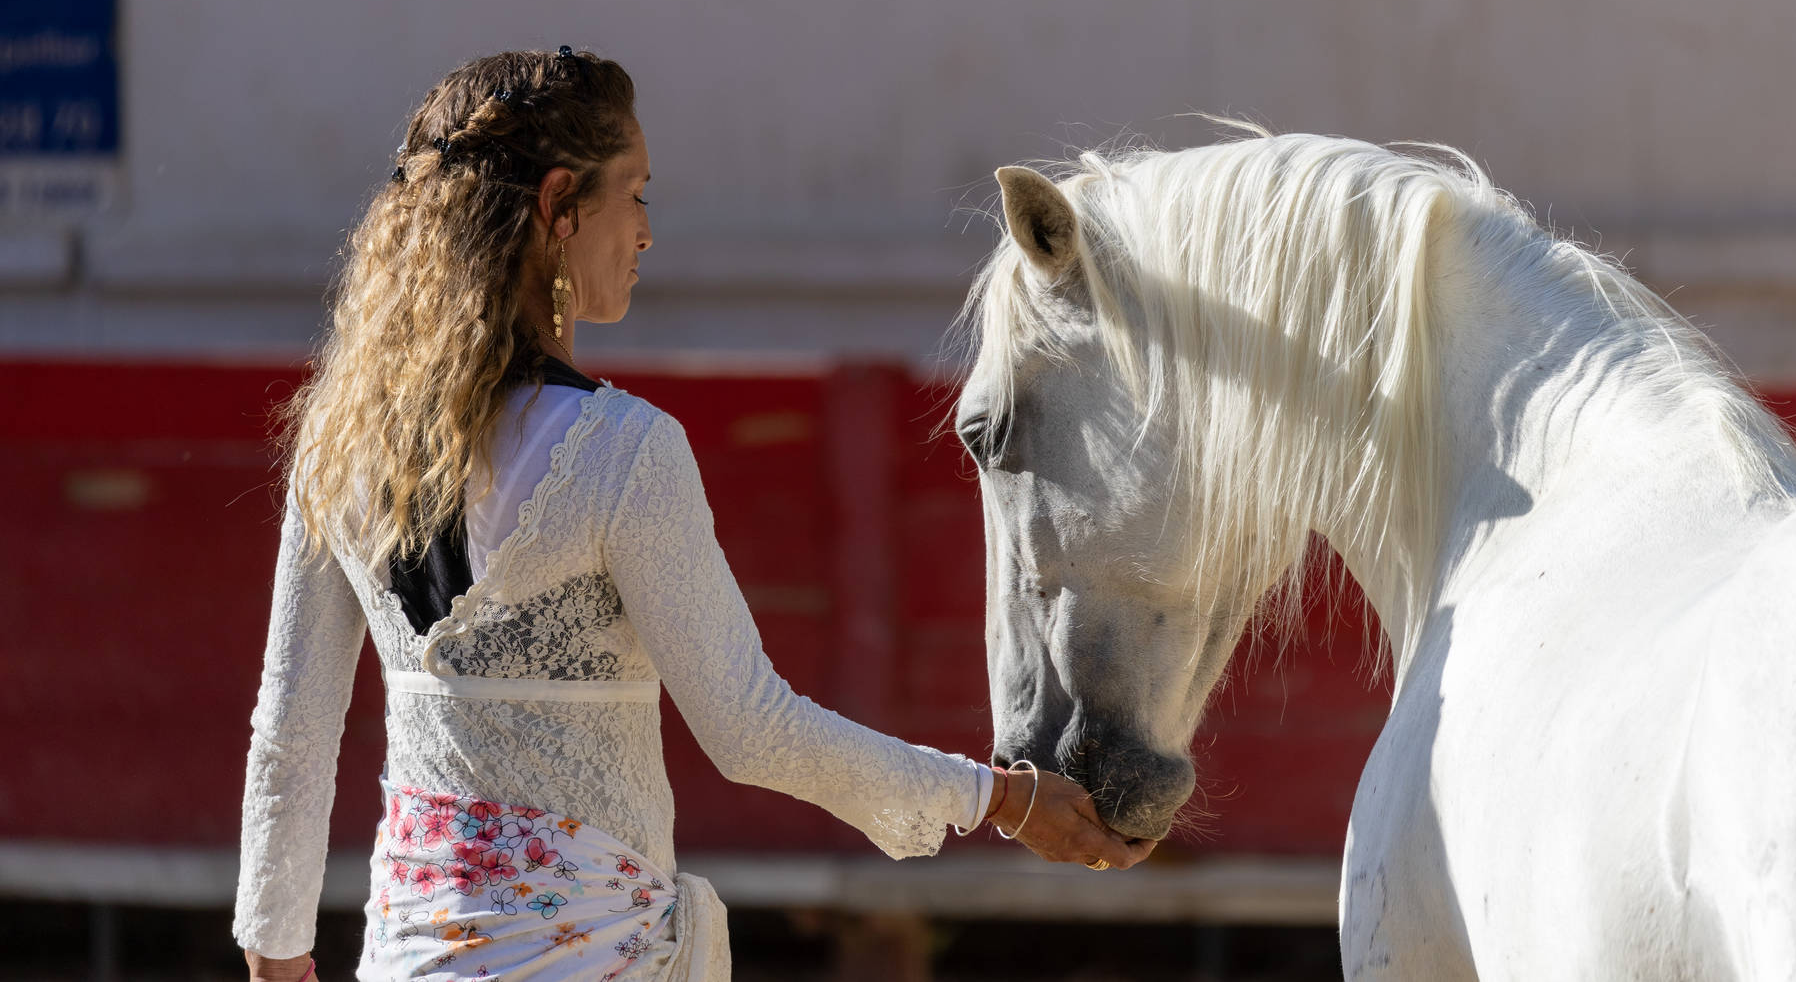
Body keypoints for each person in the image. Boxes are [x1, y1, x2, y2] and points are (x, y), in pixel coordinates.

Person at [234, 48, 1151, 982]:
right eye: (633, 195)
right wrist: (997, 797)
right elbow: (751, 728)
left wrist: (277, 956)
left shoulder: (338, 446)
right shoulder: (622, 450)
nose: (644, 231)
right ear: (560, 208)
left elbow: (291, 731)